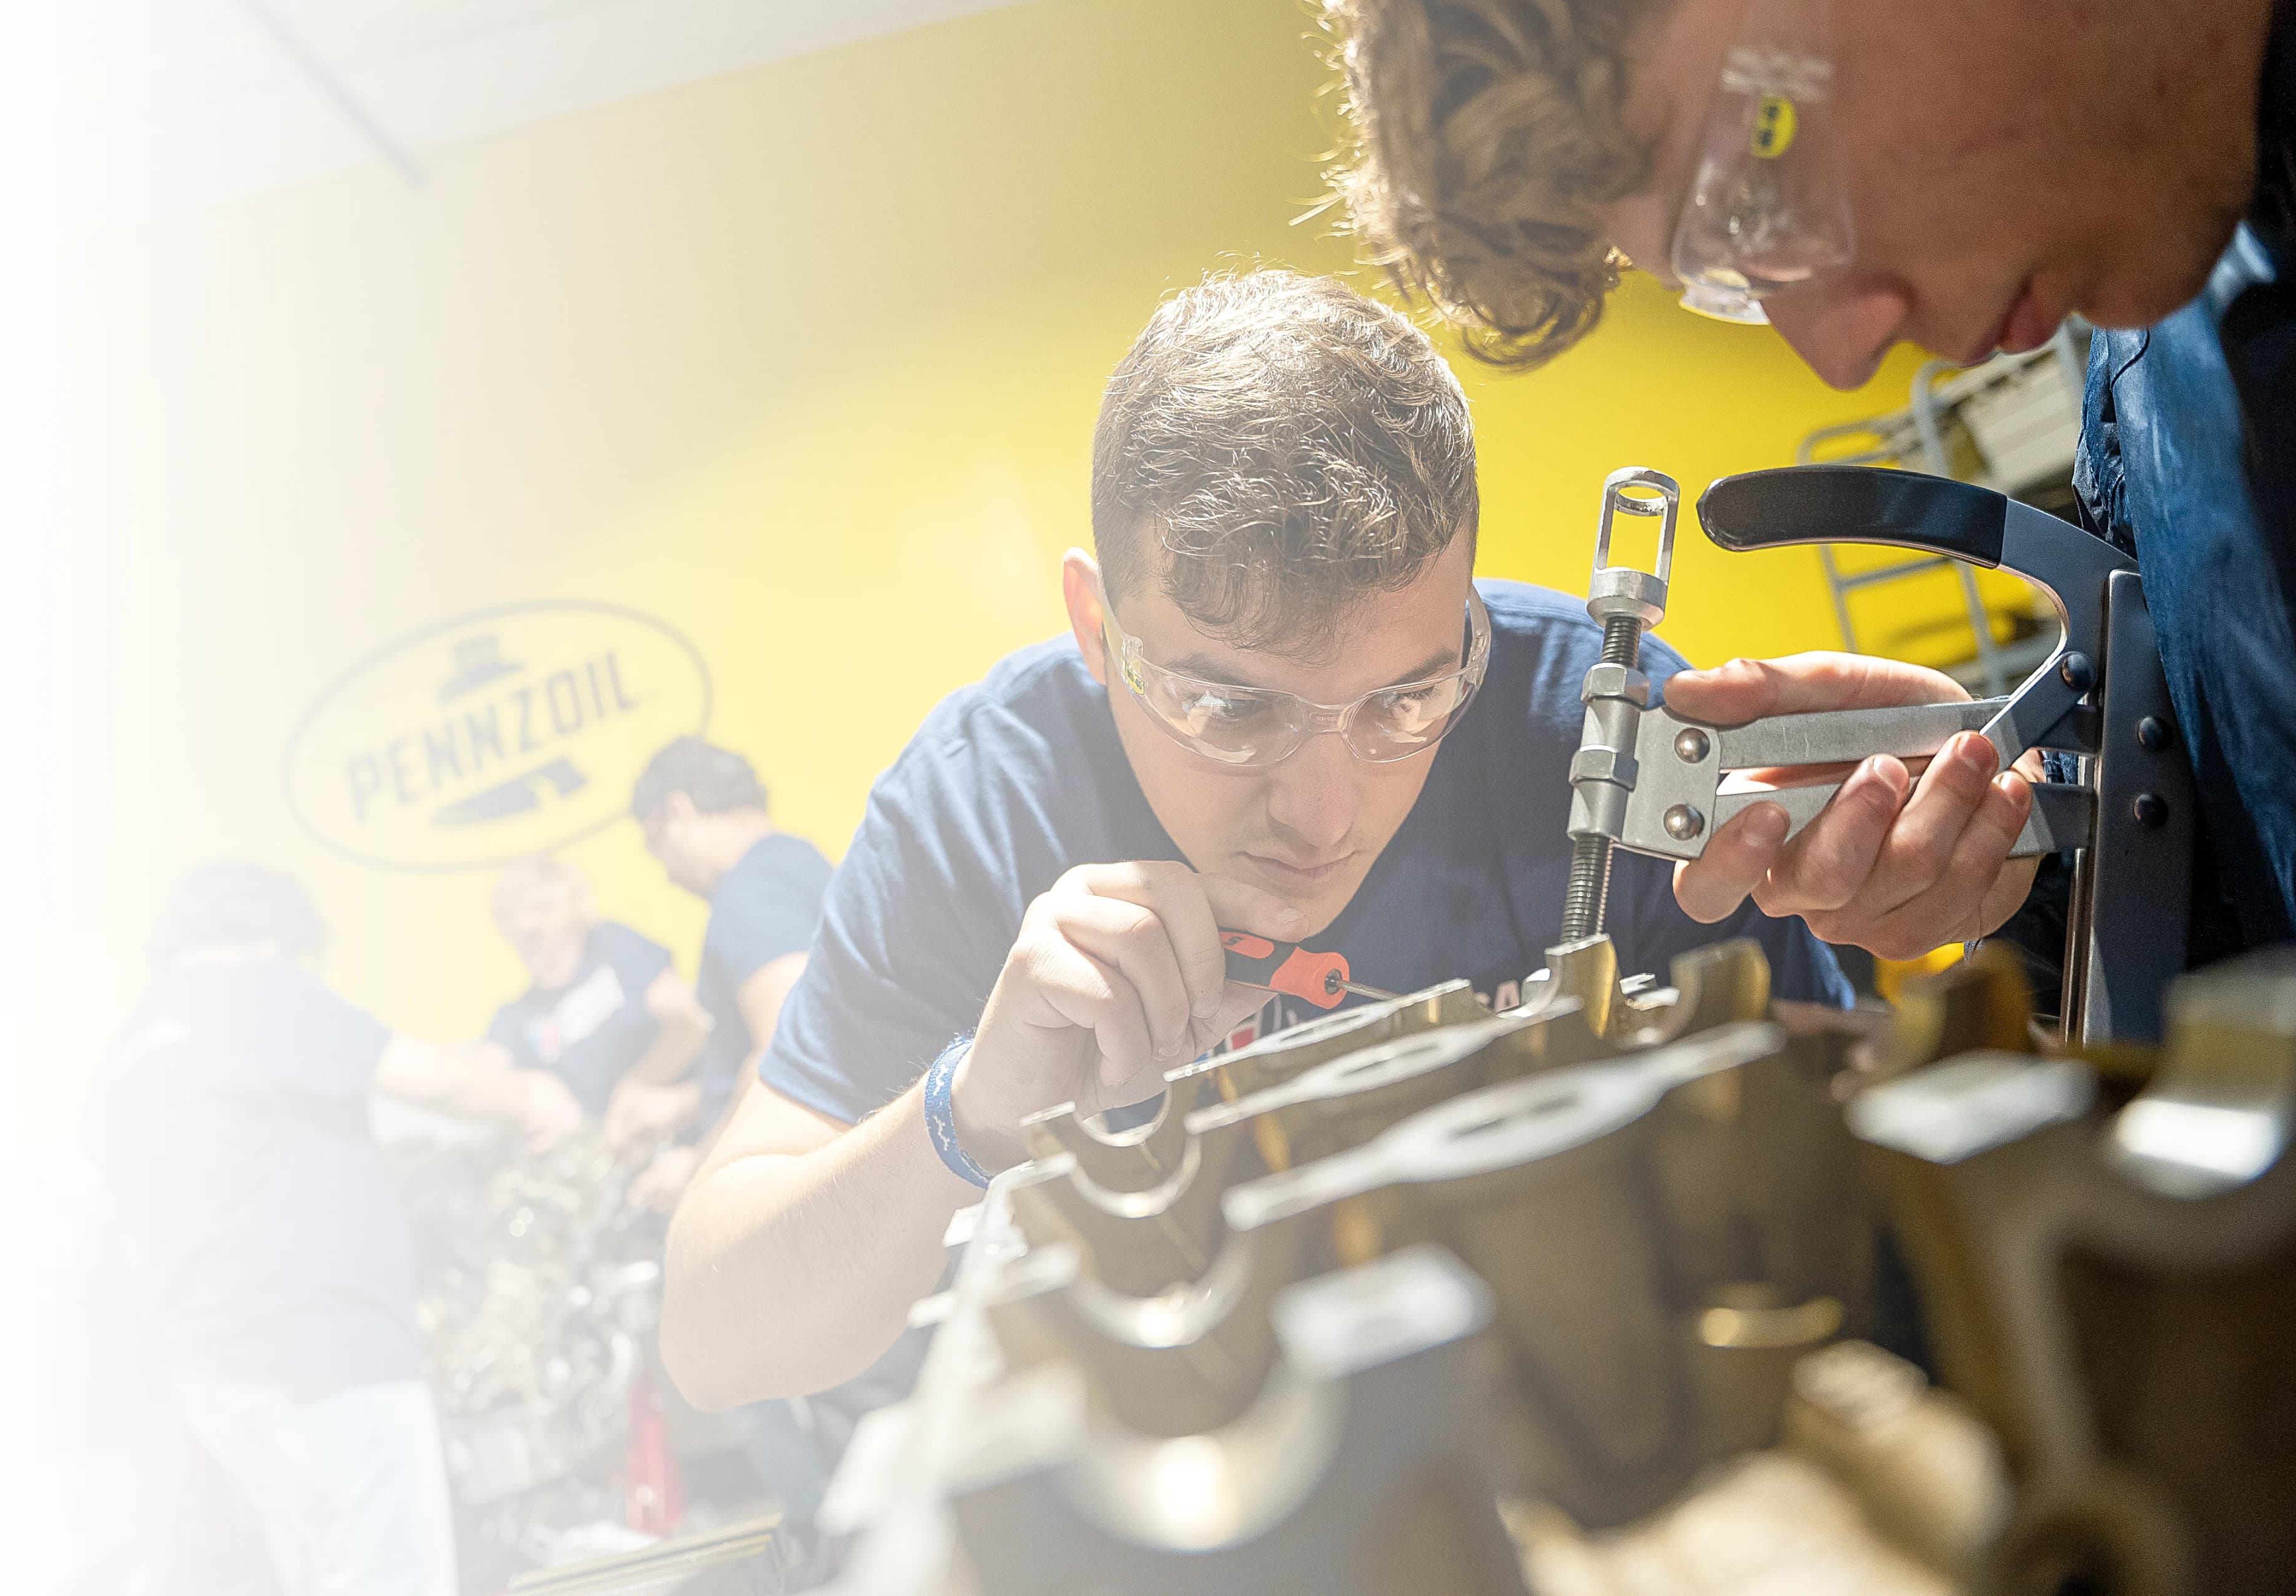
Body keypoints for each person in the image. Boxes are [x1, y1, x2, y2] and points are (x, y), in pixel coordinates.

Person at [658, 269, 1852, 1414]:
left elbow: (1842, 1125)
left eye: (1408, 699)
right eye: (1231, 708)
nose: (1326, 815)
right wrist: (967, 1112)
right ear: (1096, 626)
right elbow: (717, 1339)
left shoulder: (1600, 726)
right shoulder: (981, 804)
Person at [1322, 0, 2296, 990]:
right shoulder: (2149, 390)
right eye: (1736, 279)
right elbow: (2238, 897)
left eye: (1760, 180)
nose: (1841, 352)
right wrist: (2024, 857)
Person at [83, 861, 584, 1596]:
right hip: (326, 1359)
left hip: (219, 1380)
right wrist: (533, 1098)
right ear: (272, 937)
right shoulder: (256, 990)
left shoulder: (122, 1057)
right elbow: (432, 1078)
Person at [629, 739, 834, 1208]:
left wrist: (697, 1165)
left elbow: (789, 1042)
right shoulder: (794, 859)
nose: (665, 874)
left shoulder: (748, 890)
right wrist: (687, 1103)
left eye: (652, 843)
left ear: (677, 811)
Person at [485, 856, 715, 1197]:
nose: (541, 956)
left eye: (552, 939)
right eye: (526, 945)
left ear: (574, 921)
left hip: (696, 1134)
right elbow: (483, 1081)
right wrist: (523, 1093)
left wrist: (636, 1086)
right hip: (616, 1178)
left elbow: (692, 1021)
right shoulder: (516, 1017)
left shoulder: (611, 946)